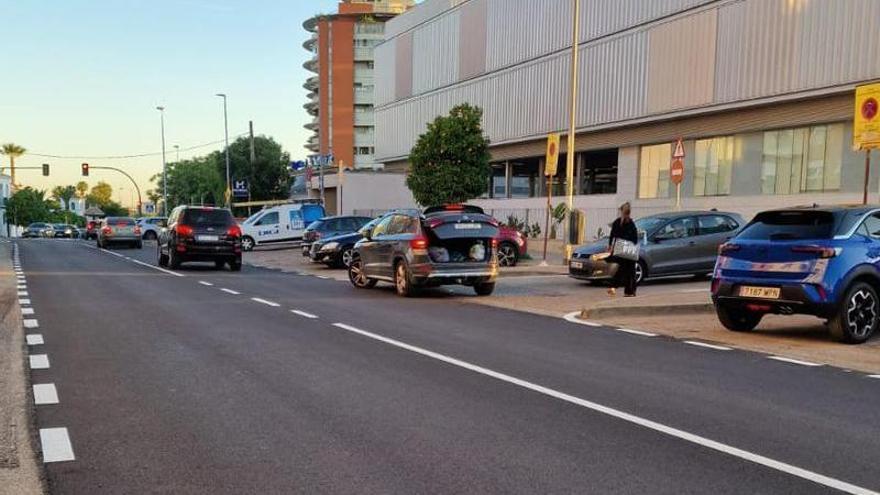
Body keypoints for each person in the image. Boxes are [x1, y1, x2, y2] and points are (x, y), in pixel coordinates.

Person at [608, 202, 639, 297]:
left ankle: (613, 286)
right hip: (629, 248)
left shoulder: (617, 223)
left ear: (622, 211)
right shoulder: (631, 223)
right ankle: (629, 291)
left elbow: (612, 236)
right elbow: (635, 238)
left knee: (621, 268)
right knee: (630, 271)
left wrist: (610, 246)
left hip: (619, 247)